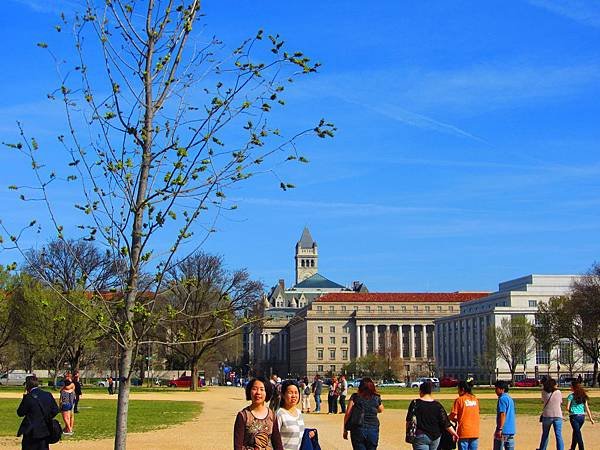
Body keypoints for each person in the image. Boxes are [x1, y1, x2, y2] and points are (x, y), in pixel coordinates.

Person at [234, 377, 284, 450]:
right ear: (249, 391)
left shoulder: (272, 416)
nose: (258, 392)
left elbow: (277, 443)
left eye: (262, 389)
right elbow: (237, 446)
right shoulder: (243, 416)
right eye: (254, 389)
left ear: (267, 392)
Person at [406, 380, 459, 450]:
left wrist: (408, 432)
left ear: (421, 391)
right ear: (430, 392)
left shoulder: (415, 403)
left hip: (420, 436)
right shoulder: (437, 405)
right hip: (435, 437)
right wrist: (453, 433)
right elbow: (445, 422)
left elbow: (409, 420)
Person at [17, 374, 60, 450]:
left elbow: (20, 413)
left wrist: (24, 398)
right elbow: (55, 410)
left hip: (30, 431)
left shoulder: (28, 397)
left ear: (27, 385)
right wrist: (46, 418)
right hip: (45, 429)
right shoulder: (48, 395)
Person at [343, 377, 384, 450]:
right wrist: (371, 409)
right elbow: (381, 409)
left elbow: (348, 413)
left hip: (358, 428)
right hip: (372, 428)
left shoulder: (355, 397)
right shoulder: (376, 397)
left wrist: (345, 429)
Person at [276, 380, 315, 450]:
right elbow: (274, 439)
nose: (294, 396)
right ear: (283, 395)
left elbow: (298, 432)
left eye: (296, 393)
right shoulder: (280, 414)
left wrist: (308, 434)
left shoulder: (298, 412)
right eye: (290, 393)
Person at [449, 380, 479, 450]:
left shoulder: (459, 400)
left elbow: (453, 414)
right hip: (475, 431)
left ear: (462, 389)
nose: (458, 391)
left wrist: (447, 419)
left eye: (458, 389)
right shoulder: (475, 399)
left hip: (464, 431)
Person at [566, 380, 594, 450]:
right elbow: (587, 408)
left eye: (571, 386)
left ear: (574, 387)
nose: (570, 387)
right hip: (582, 417)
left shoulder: (571, 396)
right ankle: (572, 448)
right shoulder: (583, 396)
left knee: (578, 434)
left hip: (574, 417)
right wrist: (591, 419)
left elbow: (567, 407)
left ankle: (582, 448)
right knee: (576, 432)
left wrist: (571, 411)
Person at [537, 378, 564, 450]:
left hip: (547, 415)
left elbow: (543, 401)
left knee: (545, 434)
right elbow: (561, 402)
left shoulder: (543, 392)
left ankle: (542, 448)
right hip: (557, 415)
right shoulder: (558, 392)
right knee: (558, 435)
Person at [494, 380, 516, 450]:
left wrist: (500, 429)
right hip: (511, 430)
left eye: (496, 388)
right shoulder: (509, 398)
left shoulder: (502, 399)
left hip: (503, 431)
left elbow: (502, 414)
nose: (495, 390)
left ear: (502, 389)